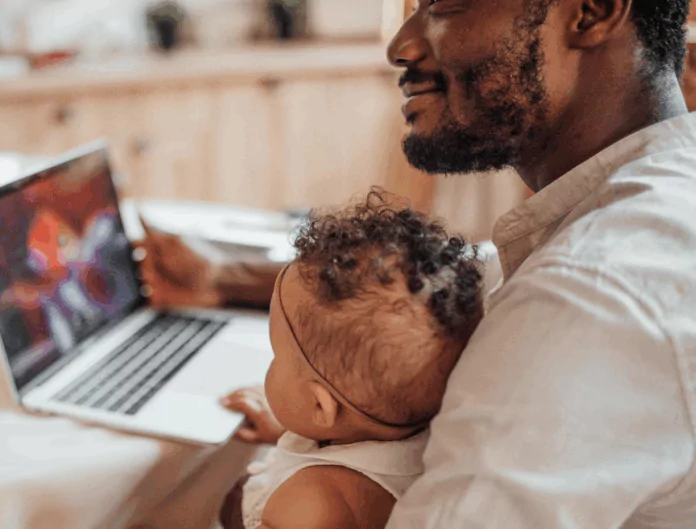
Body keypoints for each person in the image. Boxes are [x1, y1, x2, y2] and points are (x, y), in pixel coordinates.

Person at [137, 0, 696, 526]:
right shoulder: (649, 200)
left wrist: (245, 508)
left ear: (592, 10)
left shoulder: (585, 298)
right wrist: (220, 278)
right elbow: (465, 279)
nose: (401, 45)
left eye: (445, 3)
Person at [220, 191, 484, 529]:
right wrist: (285, 432)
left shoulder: (314, 505)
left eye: (277, 355)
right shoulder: (411, 434)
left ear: (320, 407)